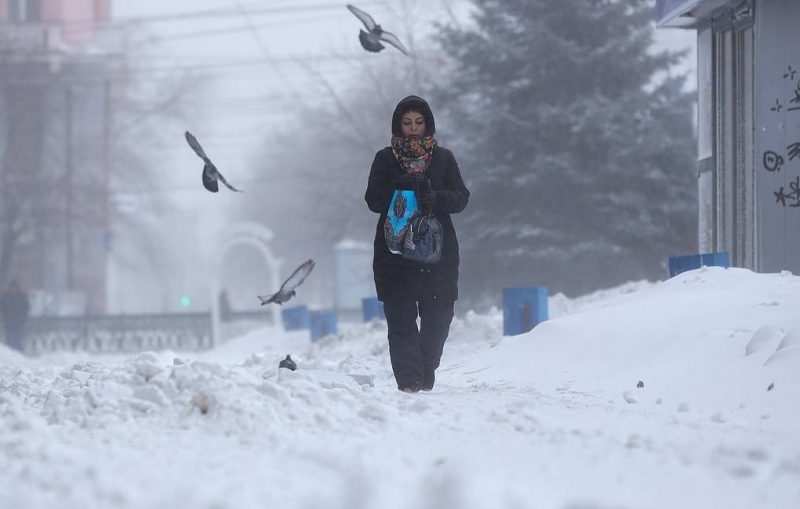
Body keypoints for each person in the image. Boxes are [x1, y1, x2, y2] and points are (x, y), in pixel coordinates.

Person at [364, 95, 470, 393]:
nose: (413, 128)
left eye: (419, 122)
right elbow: (373, 200)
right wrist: (400, 186)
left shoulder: (444, 158)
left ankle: (425, 367)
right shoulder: (385, 159)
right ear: (398, 125)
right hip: (394, 254)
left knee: (439, 318)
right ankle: (409, 382)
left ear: (428, 124)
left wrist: (435, 198)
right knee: (401, 321)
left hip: (437, 254)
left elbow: (462, 198)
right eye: (407, 122)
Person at [1, 279, 31, 353]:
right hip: (9, 323)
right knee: (9, 339)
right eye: (12, 288)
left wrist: (23, 318)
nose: (13, 290)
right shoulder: (6, 297)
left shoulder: (23, 297)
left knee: (18, 339)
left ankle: (19, 353)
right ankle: (10, 354)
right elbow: (3, 309)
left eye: (15, 288)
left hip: (19, 323)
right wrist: (5, 319)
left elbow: (26, 309)